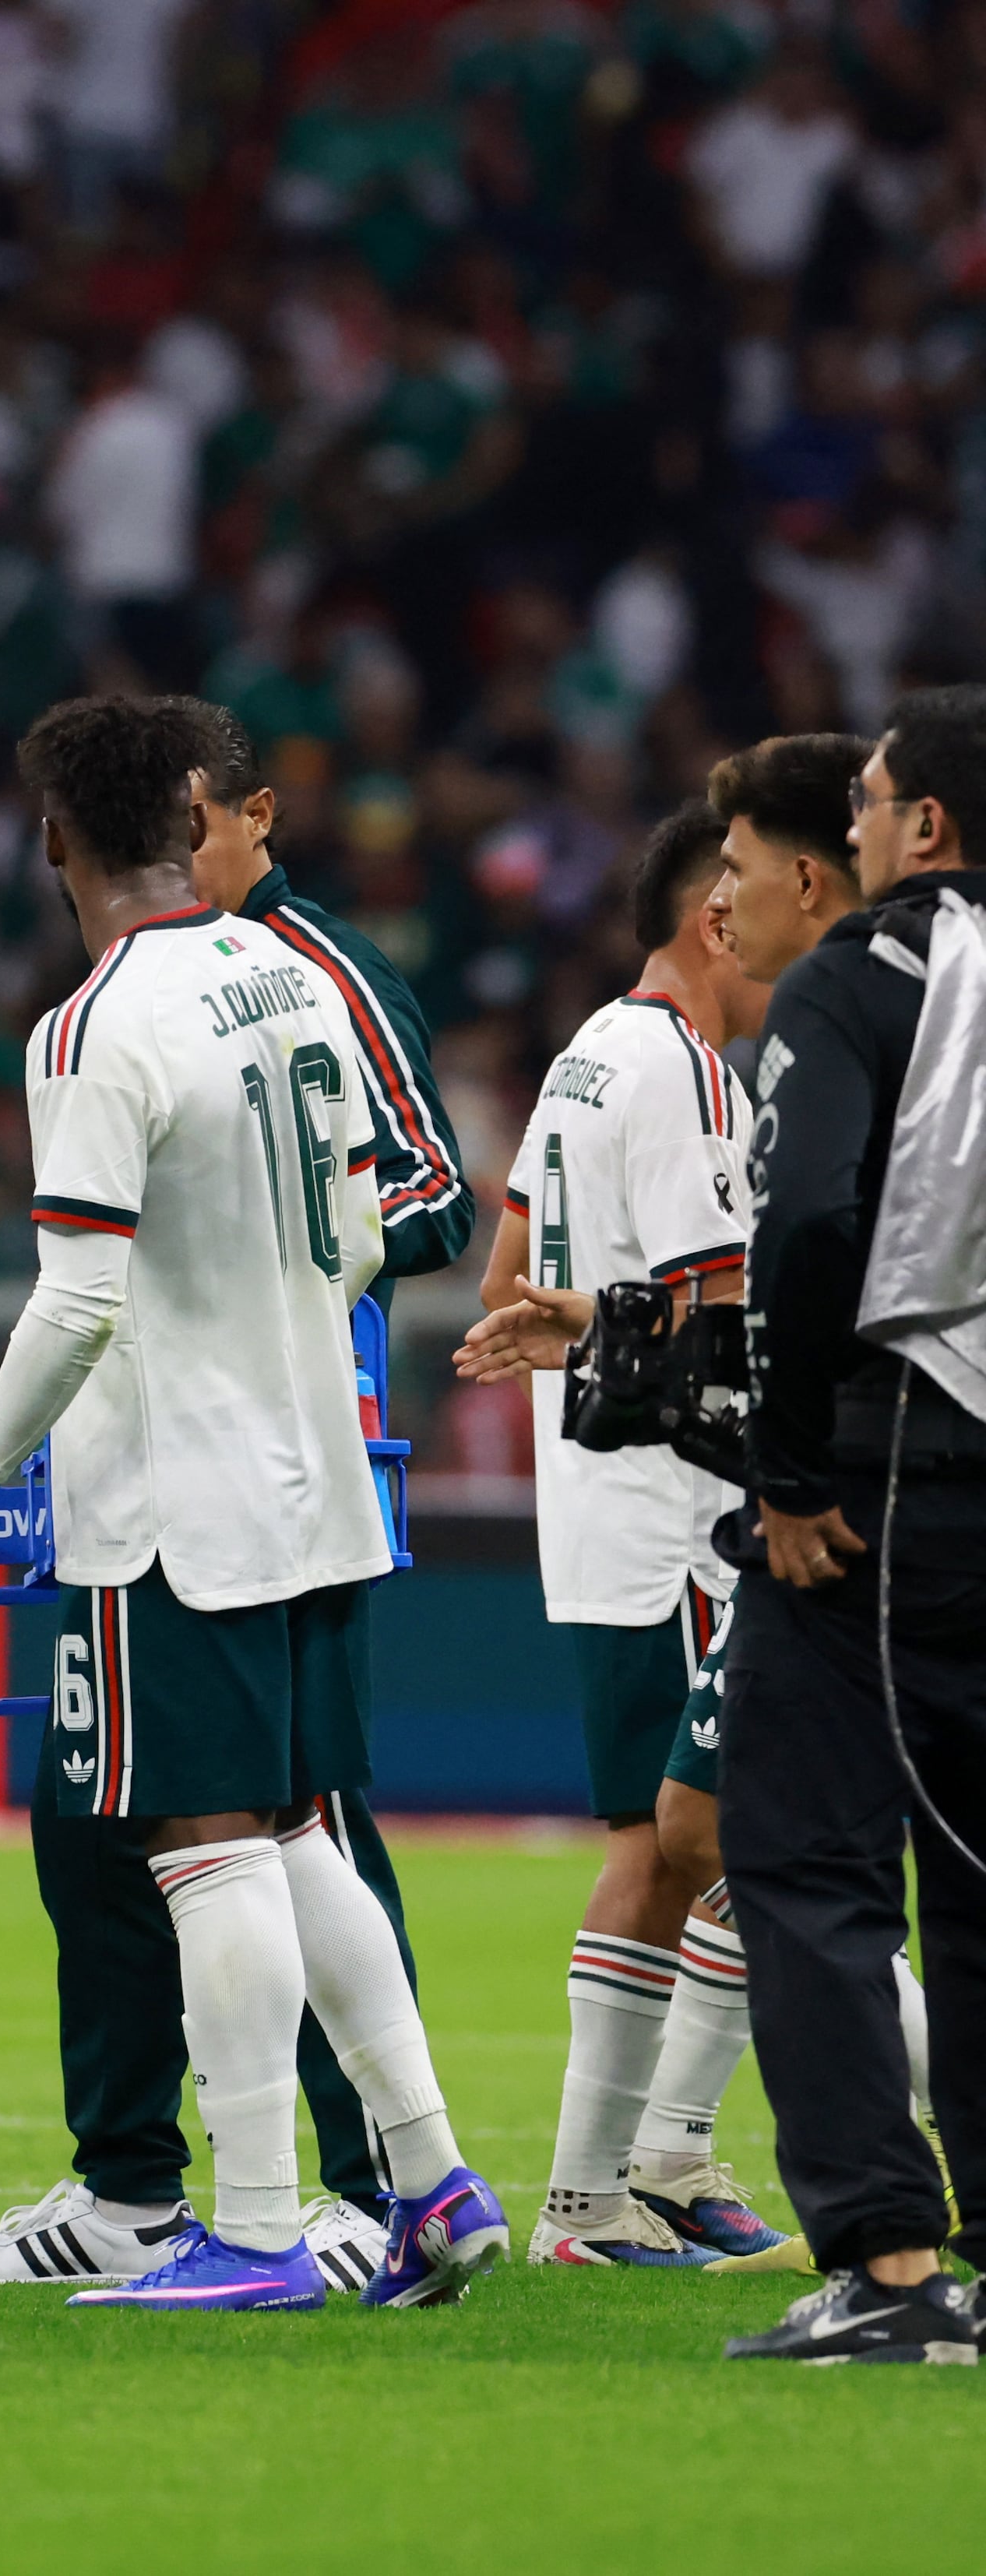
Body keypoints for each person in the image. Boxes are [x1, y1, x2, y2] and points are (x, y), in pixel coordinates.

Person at [0, 695, 502, 2313]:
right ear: (190, 815)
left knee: (200, 1837)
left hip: (170, 1492)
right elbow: (382, 1211)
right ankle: (428, 2172)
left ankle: (249, 2227)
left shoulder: (94, 1025)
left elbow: (79, 1298)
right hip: (317, 1465)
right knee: (300, 1819)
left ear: (50, 840)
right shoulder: (297, 973)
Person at [696, 692, 986, 2362]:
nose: (859, 833)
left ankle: (883, 2267)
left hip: (888, 1476)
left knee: (808, 1867)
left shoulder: (858, 978)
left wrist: (789, 1472)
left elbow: (806, 1216)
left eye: (873, 808)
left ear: (924, 829)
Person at [468, 804, 769, 2266]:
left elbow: (505, 1267)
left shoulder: (585, 1046)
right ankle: (623, 2181)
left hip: (592, 1503)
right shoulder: (692, 1079)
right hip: (687, 1510)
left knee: (662, 1845)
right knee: (735, 1839)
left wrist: (574, 1336)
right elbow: (719, 1312)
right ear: (719, 916)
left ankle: (633, 2180)